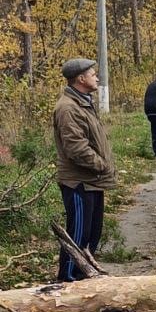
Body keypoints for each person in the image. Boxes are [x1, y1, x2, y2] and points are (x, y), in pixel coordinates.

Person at [52, 59, 116, 282]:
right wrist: (102, 164)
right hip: (78, 182)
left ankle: (84, 276)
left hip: (92, 180)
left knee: (91, 234)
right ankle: (68, 280)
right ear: (81, 79)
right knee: (78, 236)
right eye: (93, 74)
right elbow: (76, 148)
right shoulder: (68, 108)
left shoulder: (83, 103)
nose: (97, 77)